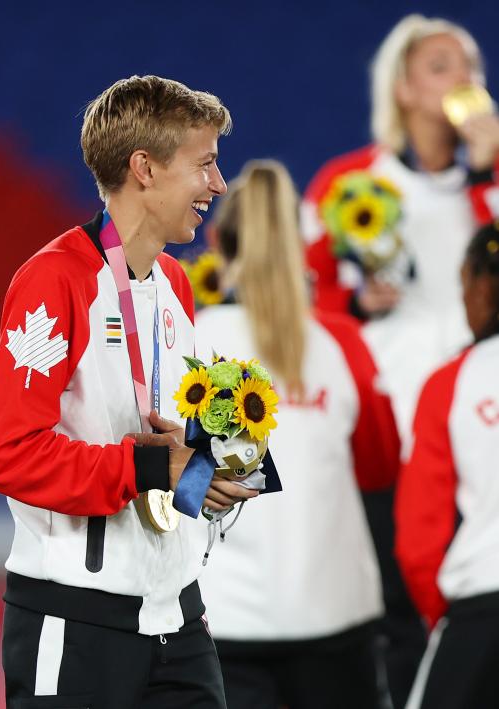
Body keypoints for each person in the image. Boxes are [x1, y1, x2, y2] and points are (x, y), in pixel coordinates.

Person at [0, 74, 259, 709]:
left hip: (177, 615)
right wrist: (157, 463)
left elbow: (170, 449)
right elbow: (10, 454)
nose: (217, 185)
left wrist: (210, 468)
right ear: (145, 169)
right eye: (206, 164)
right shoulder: (54, 282)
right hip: (77, 621)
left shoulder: (177, 287)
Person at [192, 159, 401, 709]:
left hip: (223, 618)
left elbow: (173, 488)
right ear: (299, 245)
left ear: (218, 242)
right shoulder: (341, 343)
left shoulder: (193, 342)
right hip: (335, 613)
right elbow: (380, 467)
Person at [301, 14, 499, 443]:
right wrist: (356, 303)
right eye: (441, 66)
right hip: (382, 400)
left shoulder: (494, 177)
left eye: (472, 66)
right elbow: (299, 290)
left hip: (481, 400)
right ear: (403, 88)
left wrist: (486, 176)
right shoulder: (346, 182)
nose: (464, 77)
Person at [395, 222, 499, 709]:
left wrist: (447, 620)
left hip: (483, 616)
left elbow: (420, 540)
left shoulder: (453, 382)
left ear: (481, 286)